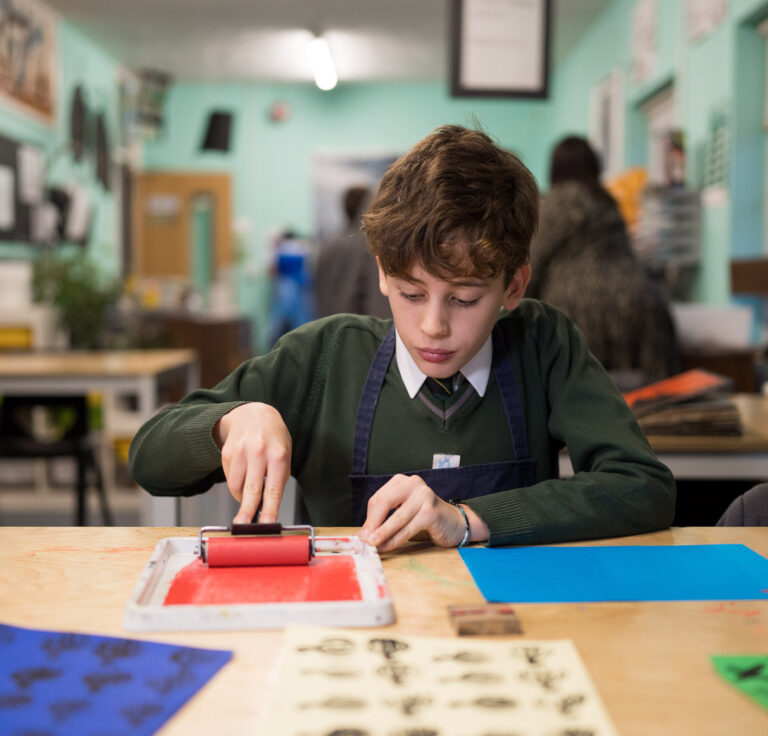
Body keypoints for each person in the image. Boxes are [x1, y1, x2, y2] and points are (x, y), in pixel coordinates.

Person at [129, 125, 675, 552]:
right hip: (350, 637)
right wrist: (230, 421)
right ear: (383, 274)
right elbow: (149, 458)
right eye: (412, 294)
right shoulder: (324, 357)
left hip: (508, 629)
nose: (434, 325)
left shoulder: (542, 343)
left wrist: (466, 520)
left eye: (464, 299)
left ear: (514, 285)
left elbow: (642, 487)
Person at [526, 135, 681, 389]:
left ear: (555, 168)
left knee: (579, 389)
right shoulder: (608, 202)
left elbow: (532, 264)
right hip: (641, 300)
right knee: (656, 395)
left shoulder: (556, 203)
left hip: (576, 306)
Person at [315, 186, 391, 319]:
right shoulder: (366, 246)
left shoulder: (328, 245)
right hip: (356, 325)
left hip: (328, 320)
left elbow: (317, 285)